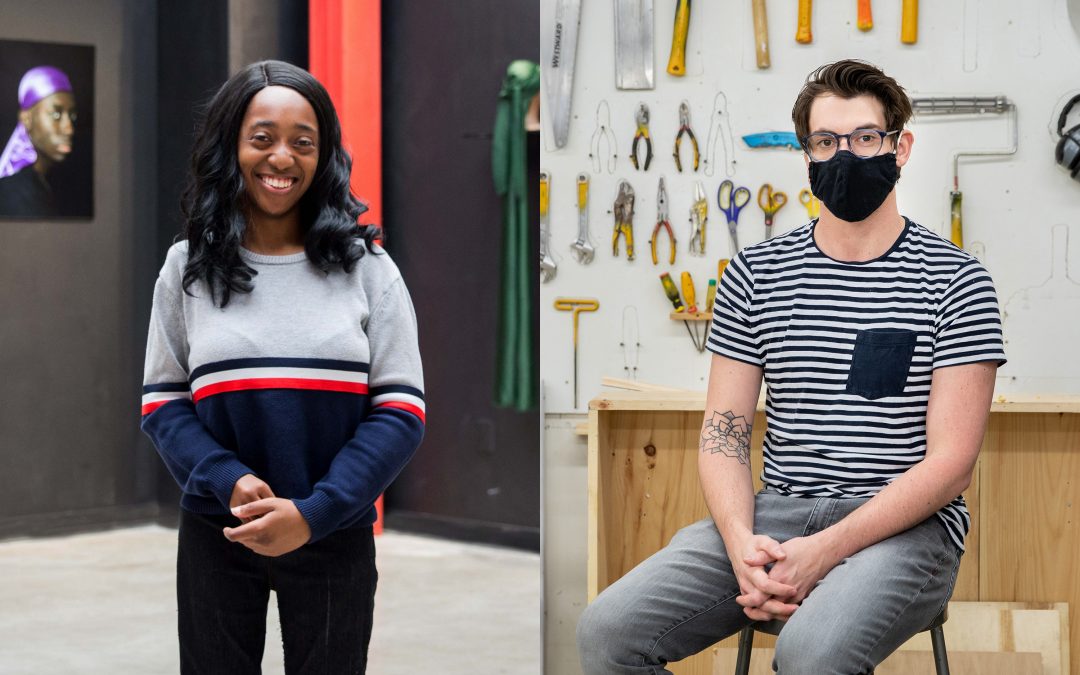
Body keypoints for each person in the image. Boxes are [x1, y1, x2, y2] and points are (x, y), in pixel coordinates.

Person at [577, 59, 1006, 674]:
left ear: (900, 146)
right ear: (806, 154)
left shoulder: (955, 279)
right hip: (773, 516)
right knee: (607, 634)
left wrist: (824, 552)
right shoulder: (758, 273)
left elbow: (950, 466)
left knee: (808, 657)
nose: (846, 156)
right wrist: (740, 543)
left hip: (904, 531)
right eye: (826, 142)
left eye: (865, 138)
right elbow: (722, 436)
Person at [140, 60, 425, 674]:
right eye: (262, 138)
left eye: (303, 142)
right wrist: (227, 479)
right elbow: (162, 404)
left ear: (323, 156)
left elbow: (401, 411)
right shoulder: (186, 267)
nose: (282, 158)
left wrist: (316, 511)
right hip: (220, 531)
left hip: (334, 531)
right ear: (230, 146)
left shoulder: (368, 267)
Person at [0, 65, 77, 217]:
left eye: (72, 116)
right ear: (26, 119)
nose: (69, 129)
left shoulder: (46, 184)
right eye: (56, 114)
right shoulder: (14, 193)